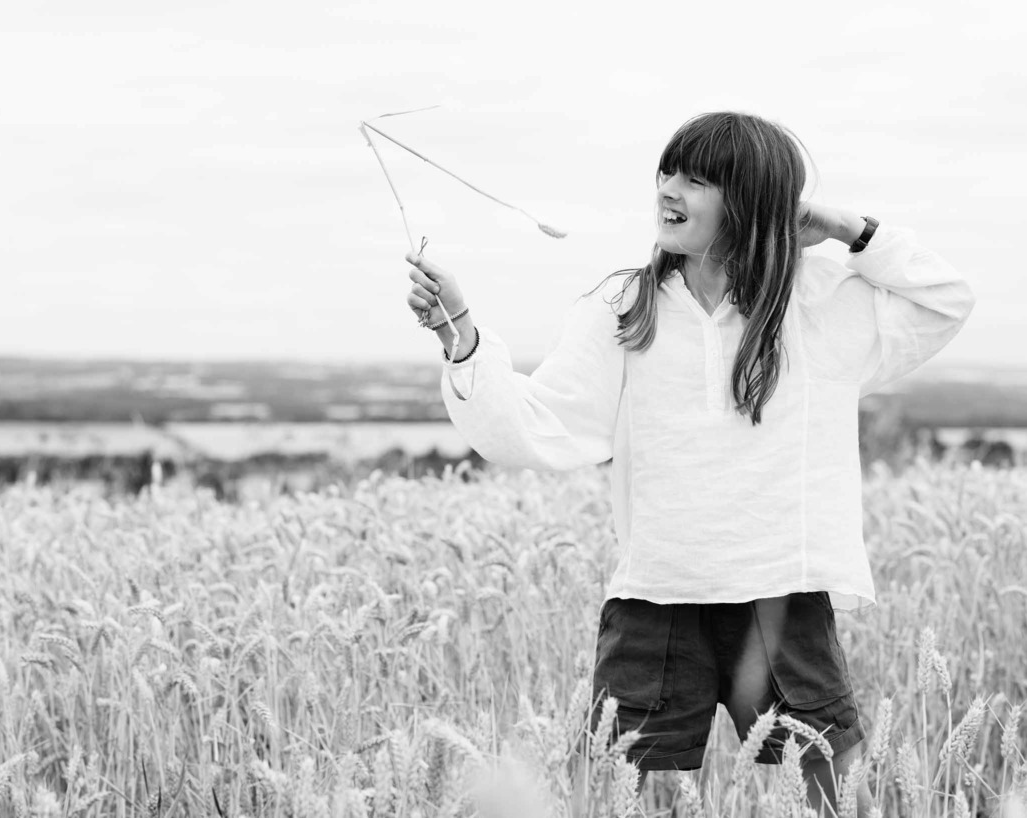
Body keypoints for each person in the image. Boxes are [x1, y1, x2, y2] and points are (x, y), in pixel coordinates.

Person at [401, 111, 975, 816]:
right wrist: (457, 329)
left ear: (752, 201)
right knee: (610, 799)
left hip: (782, 593)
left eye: (698, 179)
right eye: (668, 172)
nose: (670, 191)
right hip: (657, 596)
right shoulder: (625, 306)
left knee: (844, 798)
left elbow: (946, 300)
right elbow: (537, 428)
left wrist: (847, 226)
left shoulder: (817, 300)